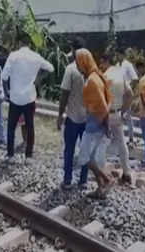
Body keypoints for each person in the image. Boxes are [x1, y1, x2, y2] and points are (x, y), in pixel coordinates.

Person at [2, 31, 54, 164]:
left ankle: (10, 155)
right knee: (30, 126)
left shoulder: (13, 56)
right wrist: (38, 79)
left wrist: (7, 92)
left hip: (15, 98)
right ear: (29, 43)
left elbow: (4, 76)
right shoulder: (36, 56)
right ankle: (29, 156)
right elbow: (51, 68)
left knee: (11, 127)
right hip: (29, 98)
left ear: (19, 43)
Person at [76, 49, 114, 199]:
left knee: (84, 158)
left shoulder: (92, 80)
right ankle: (100, 189)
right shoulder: (97, 75)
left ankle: (107, 179)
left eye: (78, 62)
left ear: (83, 62)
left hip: (94, 123)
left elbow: (103, 106)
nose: (78, 66)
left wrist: (106, 124)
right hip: (98, 122)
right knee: (91, 158)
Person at [57, 37, 88, 190]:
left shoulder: (70, 69)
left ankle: (68, 180)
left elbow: (64, 94)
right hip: (88, 119)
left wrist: (59, 115)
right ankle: (83, 180)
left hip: (73, 118)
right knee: (86, 150)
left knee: (69, 150)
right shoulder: (91, 69)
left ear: (74, 50)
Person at [99, 49, 133, 184]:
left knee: (101, 143)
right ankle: (127, 172)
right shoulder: (121, 74)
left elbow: (103, 100)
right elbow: (130, 94)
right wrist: (123, 110)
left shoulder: (105, 76)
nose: (100, 66)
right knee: (121, 143)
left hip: (107, 114)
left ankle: (101, 173)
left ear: (106, 61)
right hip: (118, 113)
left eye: (101, 63)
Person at [119, 48, 139, 147]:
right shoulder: (116, 65)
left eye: (118, 55)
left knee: (127, 115)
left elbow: (135, 79)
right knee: (118, 115)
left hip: (126, 94)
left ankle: (131, 138)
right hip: (117, 93)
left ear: (122, 55)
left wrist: (129, 89)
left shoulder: (127, 65)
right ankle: (118, 137)